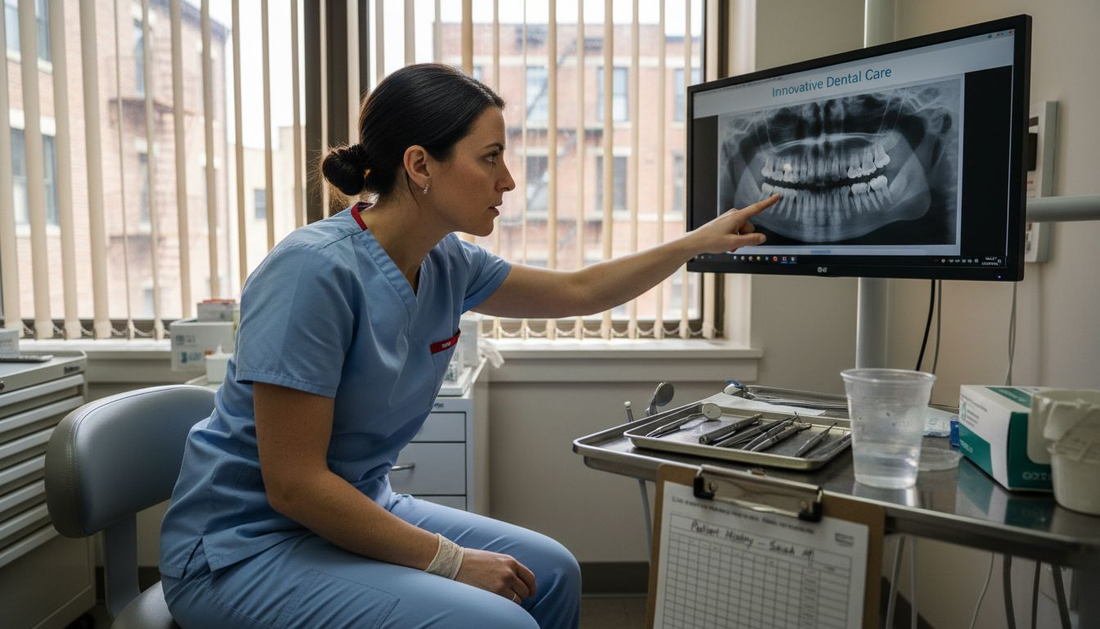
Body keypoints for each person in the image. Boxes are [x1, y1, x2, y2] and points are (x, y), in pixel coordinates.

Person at [159, 63, 777, 629]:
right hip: (243, 547)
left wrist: (695, 242)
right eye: (491, 158)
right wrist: (452, 562)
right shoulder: (310, 272)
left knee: (553, 573)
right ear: (421, 165)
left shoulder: (447, 261)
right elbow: (293, 485)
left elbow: (581, 290)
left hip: (352, 510)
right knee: (497, 621)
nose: (508, 180)